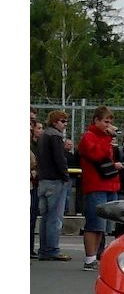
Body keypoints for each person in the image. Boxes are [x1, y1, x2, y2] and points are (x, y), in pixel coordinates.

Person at [77, 105, 124, 270]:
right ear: (96, 120)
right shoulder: (89, 137)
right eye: (105, 121)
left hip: (109, 185)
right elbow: (98, 155)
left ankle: (96, 255)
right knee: (94, 223)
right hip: (96, 185)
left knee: (103, 226)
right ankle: (89, 258)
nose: (108, 125)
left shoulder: (105, 139)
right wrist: (107, 139)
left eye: (110, 121)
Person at [36, 111, 72, 261]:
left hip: (43, 180)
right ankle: (52, 249)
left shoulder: (43, 135)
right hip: (55, 180)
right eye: (63, 122)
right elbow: (59, 159)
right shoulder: (56, 136)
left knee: (45, 217)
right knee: (55, 217)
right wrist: (65, 176)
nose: (65, 125)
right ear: (55, 121)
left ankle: (44, 249)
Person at [30, 119, 44, 257]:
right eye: (38, 128)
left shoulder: (40, 144)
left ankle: (30, 248)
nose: (41, 130)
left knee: (33, 216)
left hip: (35, 182)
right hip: (32, 181)